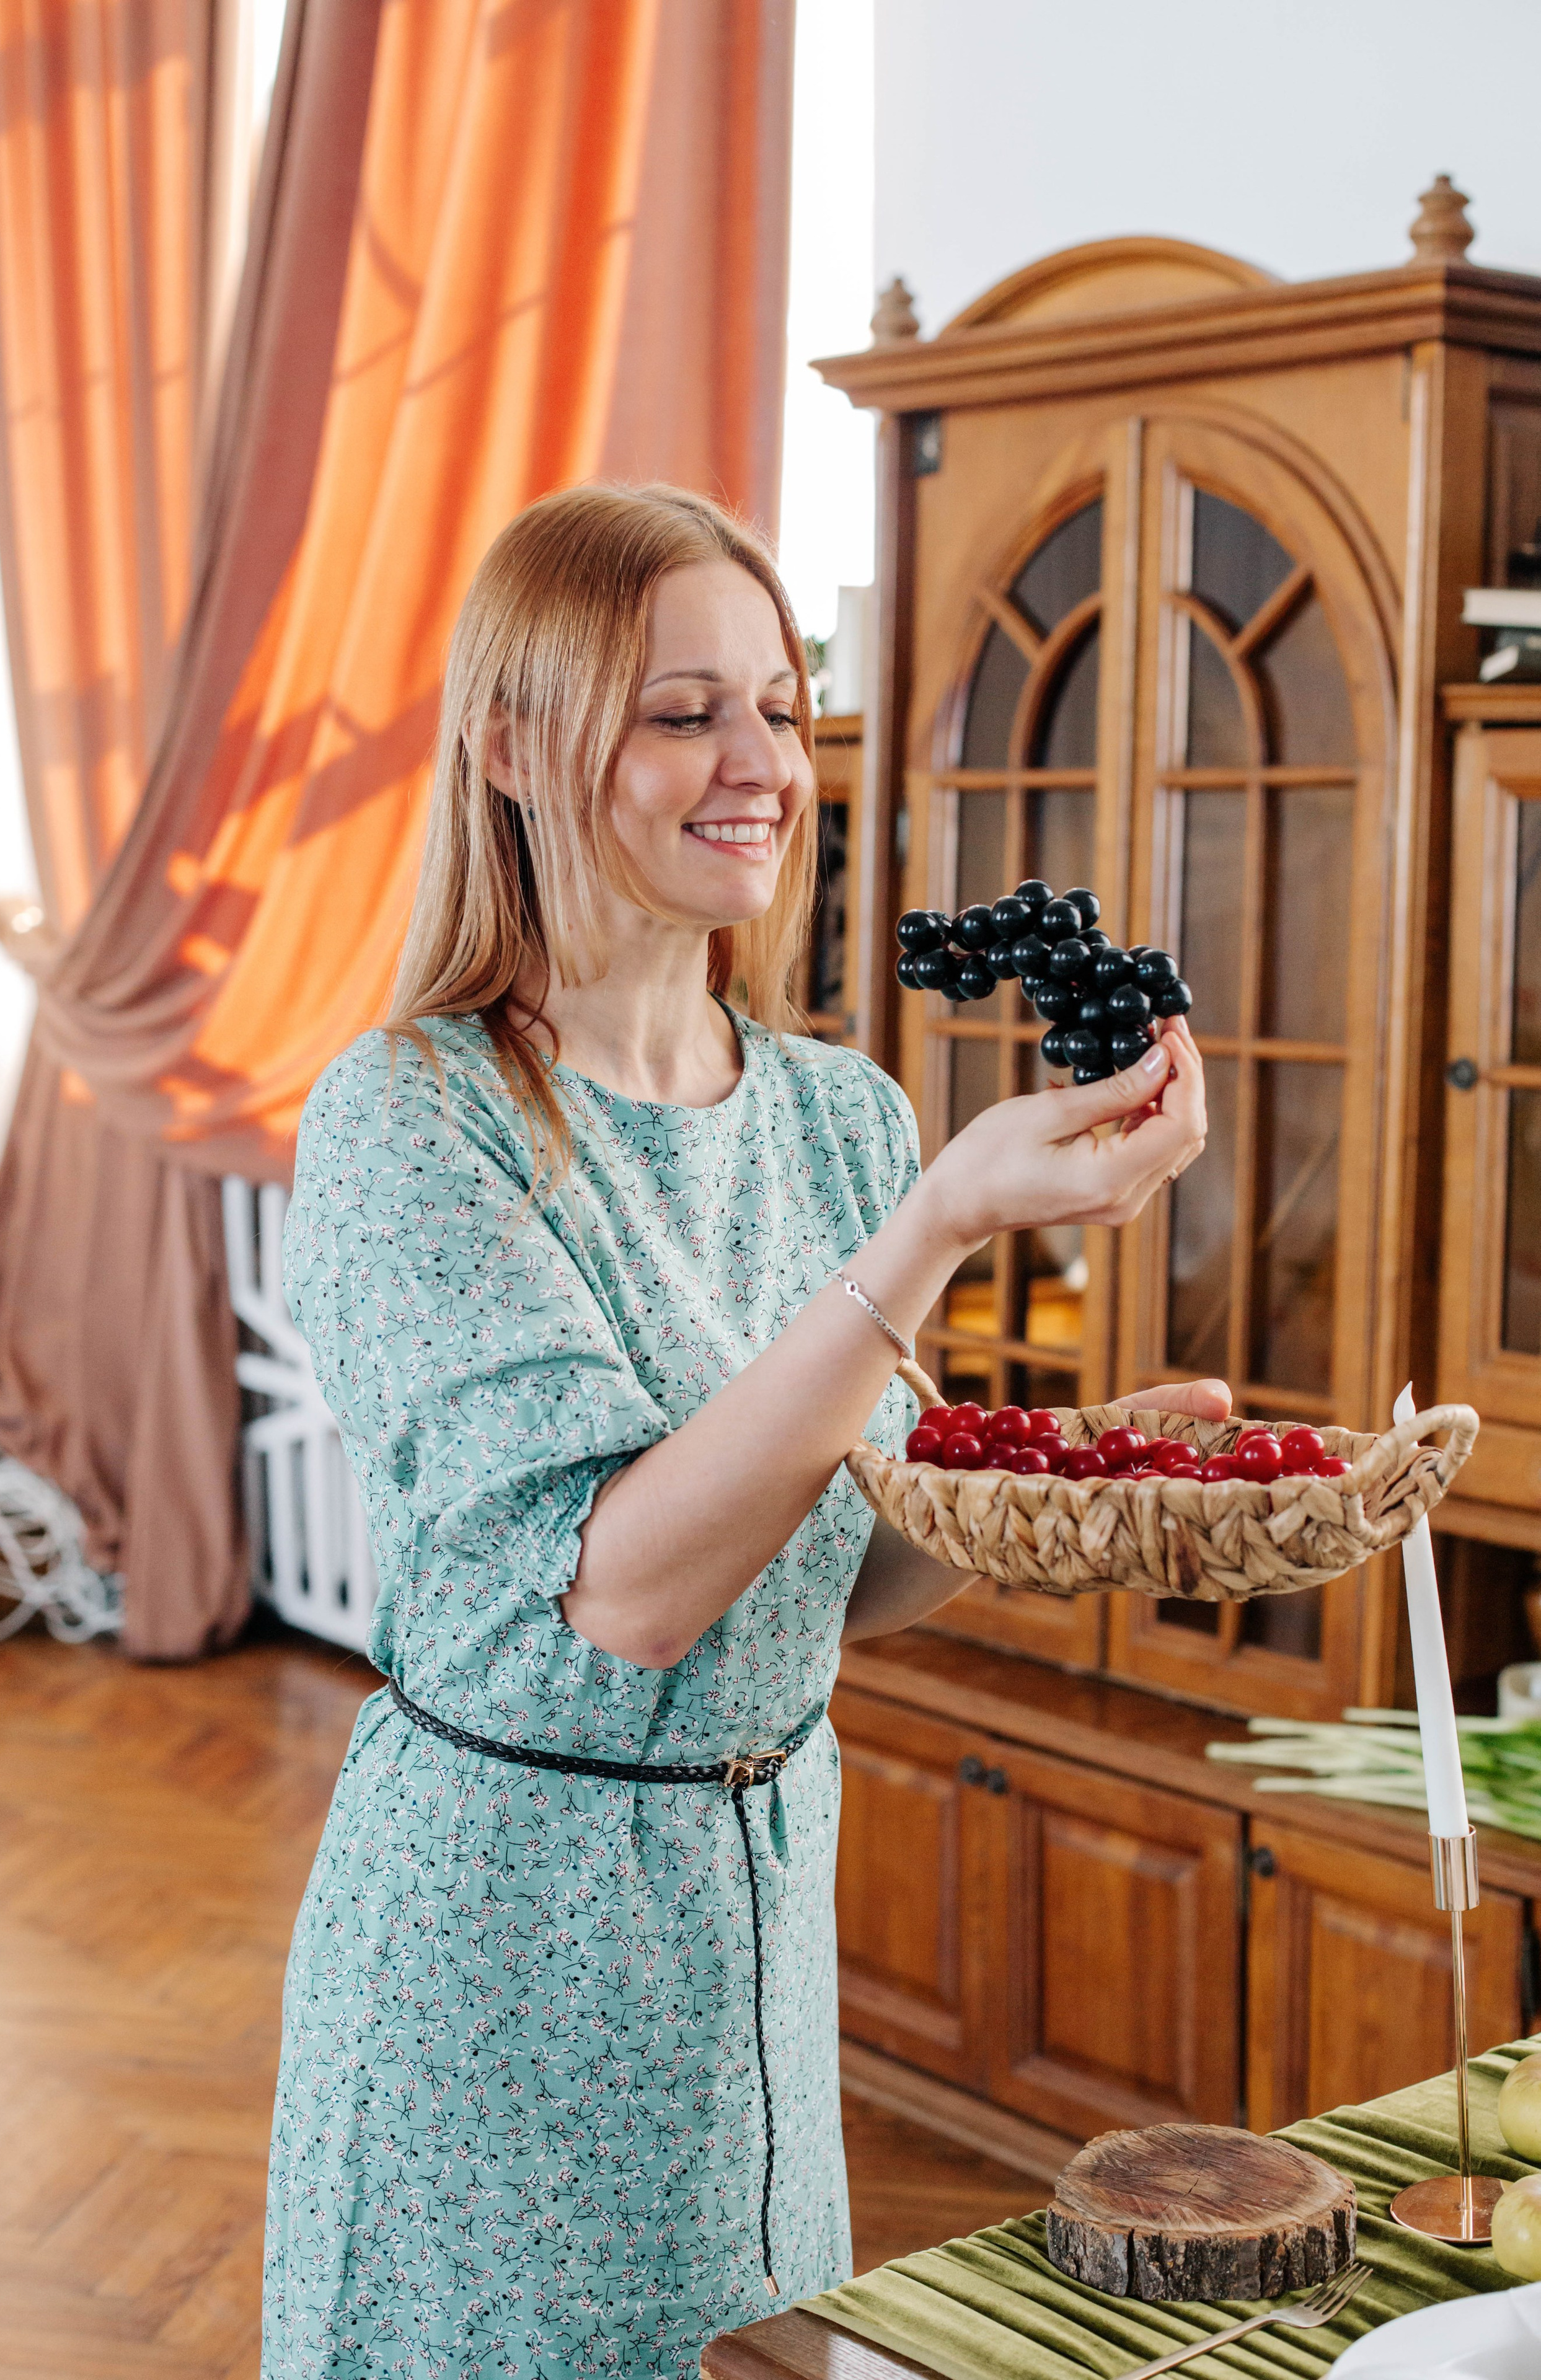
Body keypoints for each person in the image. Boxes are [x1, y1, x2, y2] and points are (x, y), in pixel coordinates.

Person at [262, 483, 1222, 2379]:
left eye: (780, 708)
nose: (764, 765)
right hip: (500, 1957)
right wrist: (939, 1227)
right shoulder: (412, 1121)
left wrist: (1074, 1486)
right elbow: (627, 1597)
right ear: (513, 746)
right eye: (683, 712)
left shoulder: (840, 1119)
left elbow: (829, 1572)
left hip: (758, 1936)